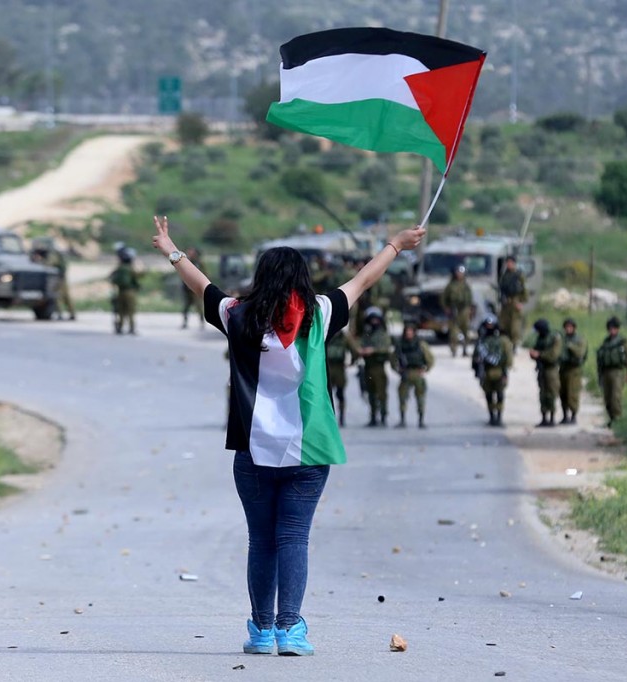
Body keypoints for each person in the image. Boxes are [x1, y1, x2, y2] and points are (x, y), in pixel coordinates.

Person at [152, 214, 424, 657]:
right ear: (302, 277)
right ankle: (290, 630)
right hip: (309, 451)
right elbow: (363, 280)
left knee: (261, 541)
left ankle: (261, 631)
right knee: (294, 537)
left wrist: (170, 249)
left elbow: (202, 286)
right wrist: (396, 243)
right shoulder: (320, 313)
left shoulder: (237, 316)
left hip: (253, 451)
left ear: (261, 277)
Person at [472, 314, 514, 426]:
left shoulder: (503, 341)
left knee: (500, 395)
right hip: (486, 372)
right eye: (487, 325)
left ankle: (499, 417)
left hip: (499, 371)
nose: (489, 327)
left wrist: (505, 370)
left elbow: (508, 358)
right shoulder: (481, 342)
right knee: (489, 395)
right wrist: (477, 370)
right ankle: (492, 417)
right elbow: (475, 358)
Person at [392, 323, 434, 428]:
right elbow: (393, 359)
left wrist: (425, 369)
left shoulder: (421, 344)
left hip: (417, 372)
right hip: (406, 373)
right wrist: (398, 370)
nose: (409, 334)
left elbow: (430, 359)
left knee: (420, 397)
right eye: (407, 332)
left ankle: (421, 420)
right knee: (402, 397)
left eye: (411, 331)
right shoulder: (401, 345)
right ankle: (402, 419)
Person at [358, 306, 392, 427]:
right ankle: (373, 417)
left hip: (379, 367)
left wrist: (373, 350)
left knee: (381, 393)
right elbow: (360, 345)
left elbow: (386, 349)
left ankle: (383, 416)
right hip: (368, 366)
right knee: (371, 393)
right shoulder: (367, 334)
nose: (374, 322)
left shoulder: (382, 334)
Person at [596, 316, 627, 427]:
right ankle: (611, 418)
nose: (612, 330)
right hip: (606, 372)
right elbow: (600, 360)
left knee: (615, 397)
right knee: (607, 397)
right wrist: (600, 375)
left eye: (614, 328)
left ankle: (617, 419)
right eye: (610, 328)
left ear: (617, 329)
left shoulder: (623, 342)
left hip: (618, 372)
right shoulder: (605, 343)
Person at [528, 318, 562, 427]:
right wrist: (533, 354)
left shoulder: (554, 338)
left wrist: (539, 355)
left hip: (551, 370)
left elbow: (553, 355)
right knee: (542, 394)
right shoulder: (540, 338)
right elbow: (536, 350)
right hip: (542, 370)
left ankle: (552, 418)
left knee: (551, 394)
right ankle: (544, 417)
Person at [325, 329, 358, 428]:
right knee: (329, 395)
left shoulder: (341, 337)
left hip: (335, 368)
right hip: (329, 367)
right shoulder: (327, 333)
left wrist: (352, 362)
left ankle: (339, 418)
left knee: (338, 394)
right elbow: (355, 351)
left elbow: (354, 351)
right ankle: (333, 418)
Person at [558, 318, 587, 424]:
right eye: (566, 327)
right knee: (563, 393)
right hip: (563, 368)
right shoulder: (562, 339)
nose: (568, 329)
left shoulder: (579, 339)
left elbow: (580, 353)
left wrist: (570, 346)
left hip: (574, 370)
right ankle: (565, 416)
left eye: (570, 327)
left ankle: (573, 415)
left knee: (573, 393)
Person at [441, 265, 473, 358]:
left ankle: (465, 349)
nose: (460, 274)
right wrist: (446, 307)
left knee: (466, 331)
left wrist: (470, 309)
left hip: (464, 311)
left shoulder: (466, 285)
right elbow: (444, 298)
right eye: (458, 272)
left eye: (461, 273)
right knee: (454, 332)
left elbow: (470, 298)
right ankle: (454, 349)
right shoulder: (451, 285)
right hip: (454, 310)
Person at [498, 255, 528, 349]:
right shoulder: (504, 275)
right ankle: (507, 345)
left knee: (515, 326)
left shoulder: (519, 275)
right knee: (504, 325)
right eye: (508, 262)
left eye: (511, 262)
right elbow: (502, 289)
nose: (509, 264)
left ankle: (515, 344)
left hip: (515, 302)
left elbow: (524, 289)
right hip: (506, 303)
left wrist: (521, 302)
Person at [109, 247, 140, 335]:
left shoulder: (120, 268)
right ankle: (132, 328)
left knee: (121, 311)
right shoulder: (130, 269)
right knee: (131, 311)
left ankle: (120, 327)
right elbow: (137, 278)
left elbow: (111, 278)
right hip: (130, 292)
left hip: (120, 291)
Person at [181, 247, 204, 329]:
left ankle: (201, 322)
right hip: (187, 289)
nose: (189, 253)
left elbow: (204, 275)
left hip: (195, 289)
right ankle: (185, 322)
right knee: (186, 307)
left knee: (199, 307)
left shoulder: (198, 263)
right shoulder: (186, 262)